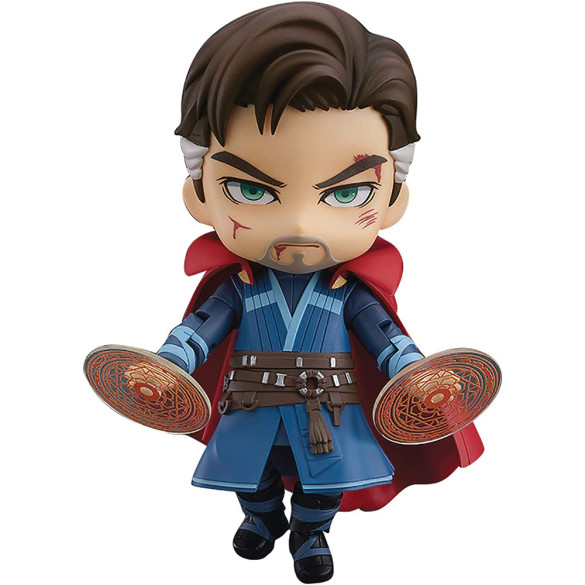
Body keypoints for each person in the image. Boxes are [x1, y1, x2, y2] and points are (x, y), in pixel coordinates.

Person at [157, 3, 483, 583]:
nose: (301, 224)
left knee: (325, 481)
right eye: (250, 190)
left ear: (393, 200)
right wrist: (175, 356)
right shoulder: (240, 286)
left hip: (327, 408)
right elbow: (202, 328)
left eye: (346, 194)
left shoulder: (346, 291)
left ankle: (310, 532)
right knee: (247, 473)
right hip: (251, 403)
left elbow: (384, 337)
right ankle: (262, 517)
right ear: (199, 194)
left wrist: (410, 368)